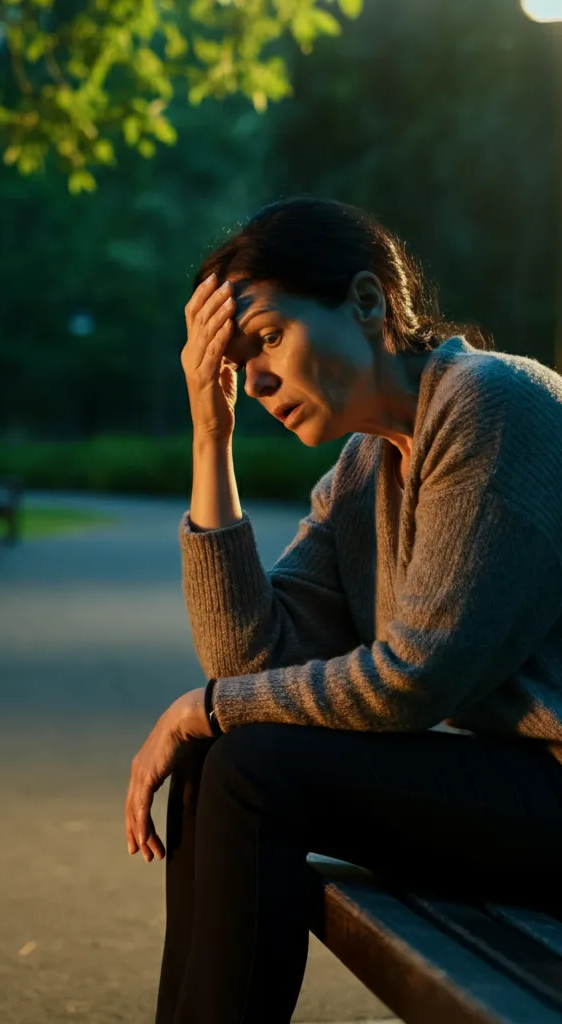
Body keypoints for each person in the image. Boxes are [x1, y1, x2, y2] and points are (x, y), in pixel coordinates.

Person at [123, 197, 562, 1024]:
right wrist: (208, 438)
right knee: (218, 759)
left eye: (268, 340)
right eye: (236, 361)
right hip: (533, 795)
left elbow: (412, 684)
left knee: (251, 764)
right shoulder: (367, 467)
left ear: (367, 302)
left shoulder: (490, 405)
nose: (252, 381)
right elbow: (248, 661)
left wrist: (201, 710)